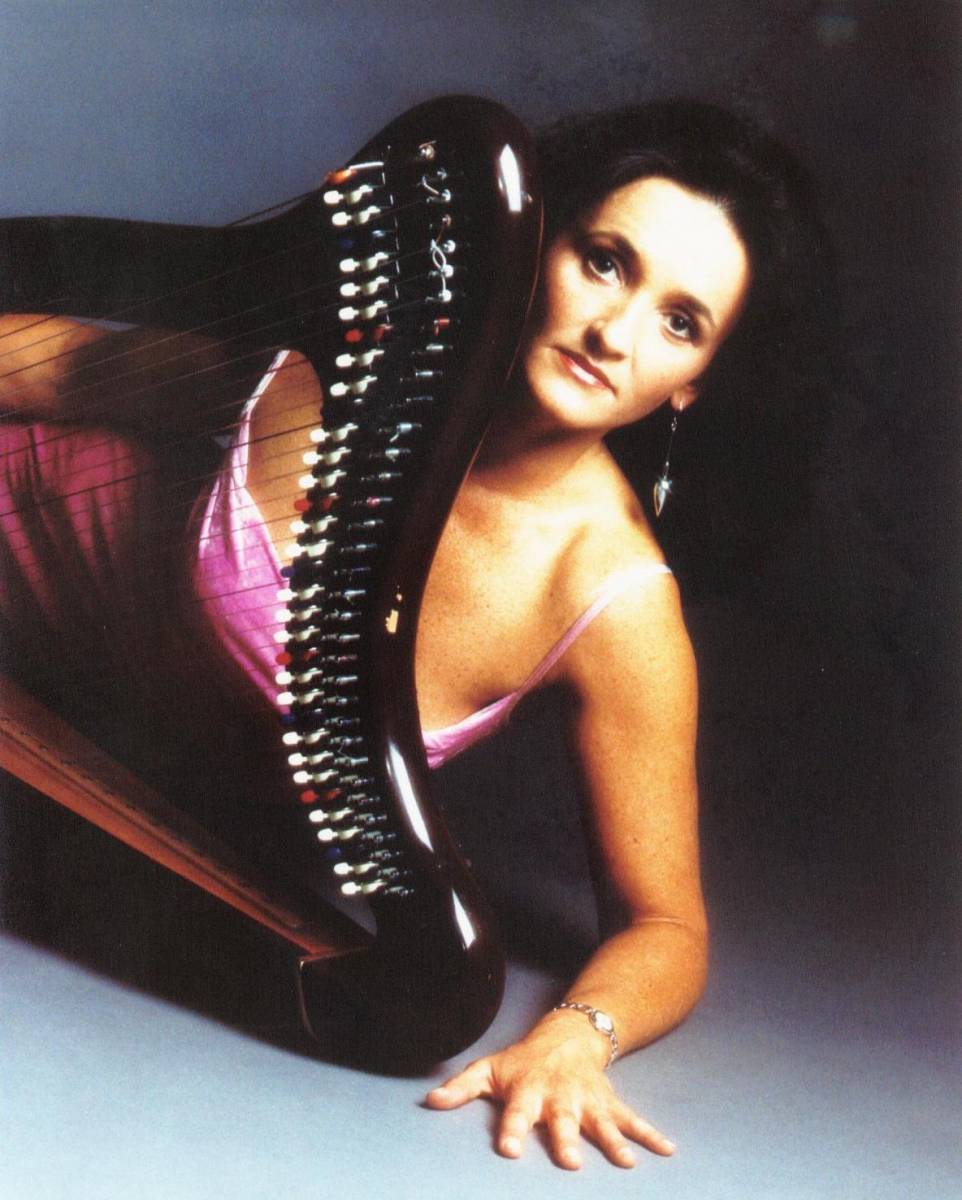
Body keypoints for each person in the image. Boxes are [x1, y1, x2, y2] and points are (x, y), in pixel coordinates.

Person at [0, 100, 834, 1170]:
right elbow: (64, 370)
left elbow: (665, 927)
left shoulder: (611, 599)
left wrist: (576, 1040)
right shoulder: (348, 366)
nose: (614, 333)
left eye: (680, 322)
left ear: (697, 380)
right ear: (538, 247)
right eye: (604, 262)